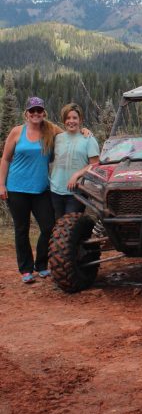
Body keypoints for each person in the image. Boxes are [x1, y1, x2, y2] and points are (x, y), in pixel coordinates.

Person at [0, 97, 59, 283]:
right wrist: (1, 184)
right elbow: (5, 159)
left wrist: (85, 131)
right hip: (17, 189)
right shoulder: (17, 132)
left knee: (49, 226)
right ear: (26, 113)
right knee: (21, 229)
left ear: (44, 113)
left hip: (41, 189)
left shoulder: (51, 131)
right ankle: (26, 270)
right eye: (32, 111)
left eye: (39, 110)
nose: (36, 114)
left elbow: (70, 135)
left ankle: (41, 265)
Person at [49, 103, 100, 219]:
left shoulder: (88, 139)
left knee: (71, 227)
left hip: (77, 192)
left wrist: (77, 174)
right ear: (63, 120)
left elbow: (95, 164)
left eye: (74, 118)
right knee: (58, 227)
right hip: (55, 190)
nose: (71, 121)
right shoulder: (58, 138)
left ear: (80, 119)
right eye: (68, 118)